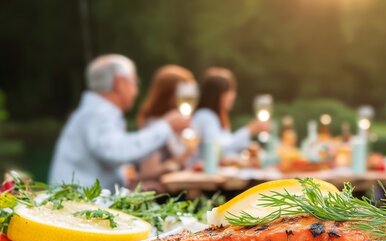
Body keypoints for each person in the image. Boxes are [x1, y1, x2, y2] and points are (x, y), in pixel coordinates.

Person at [49, 54, 189, 189]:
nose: (136, 91)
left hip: (82, 201)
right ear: (120, 83)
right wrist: (165, 126)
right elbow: (116, 151)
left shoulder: (95, 111)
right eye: (135, 82)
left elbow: (107, 158)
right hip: (76, 205)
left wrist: (131, 183)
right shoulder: (97, 113)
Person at [133, 65, 197, 192]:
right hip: (158, 194)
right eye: (183, 91)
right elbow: (148, 172)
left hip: (176, 190)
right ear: (170, 94)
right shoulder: (154, 126)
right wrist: (172, 165)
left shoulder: (175, 124)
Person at [192, 68, 269, 163]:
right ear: (215, 95)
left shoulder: (217, 117)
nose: (232, 96)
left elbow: (228, 150)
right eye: (227, 92)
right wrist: (249, 130)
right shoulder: (205, 116)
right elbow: (219, 150)